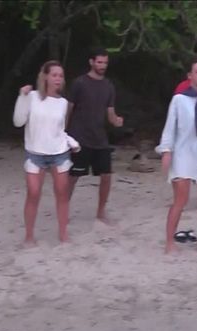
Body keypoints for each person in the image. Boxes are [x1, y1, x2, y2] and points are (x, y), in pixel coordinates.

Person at [13, 60, 80, 246]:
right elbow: (18, 121)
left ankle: (63, 234)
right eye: (54, 75)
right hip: (35, 153)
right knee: (33, 193)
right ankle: (29, 236)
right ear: (45, 76)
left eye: (61, 76)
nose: (58, 79)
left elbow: (60, 129)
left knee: (62, 194)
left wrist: (70, 141)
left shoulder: (63, 103)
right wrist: (21, 97)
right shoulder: (32, 97)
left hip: (59, 153)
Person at [156, 58, 197, 254]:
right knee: (181, 199)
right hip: (183, 152)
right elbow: (170, 127)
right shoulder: (179, 99)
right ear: (190, 75)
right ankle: (169, 242)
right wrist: (166, 151)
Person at [66, 48, 124, 224]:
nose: (103, 66)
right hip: (79, 136)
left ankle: (101, 211)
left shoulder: (108, 86)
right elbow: (68, 109)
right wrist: (63, 132)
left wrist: (116, 121)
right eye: (99, 62)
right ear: (91, 62)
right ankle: (63, 209)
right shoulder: (79, 83)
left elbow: (110, 112)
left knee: (106, 176)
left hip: (100, 137)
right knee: (73, 176)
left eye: (105, 62)